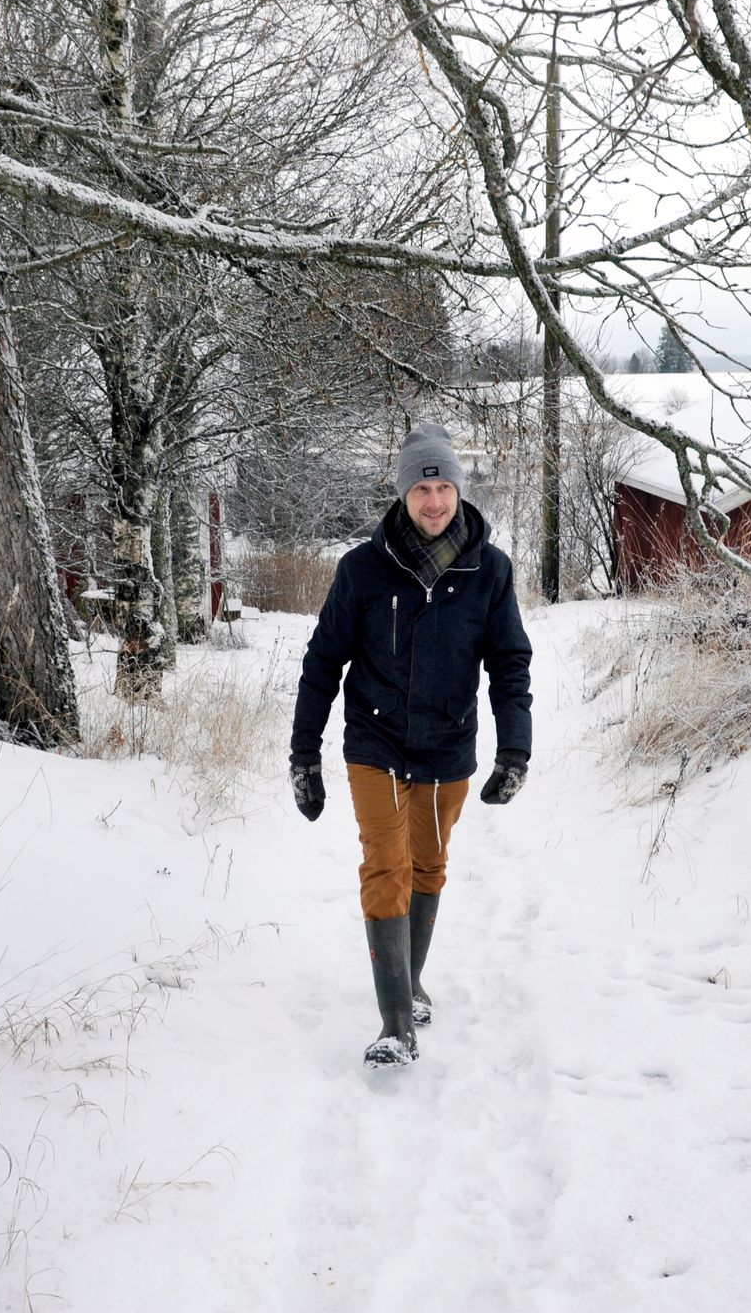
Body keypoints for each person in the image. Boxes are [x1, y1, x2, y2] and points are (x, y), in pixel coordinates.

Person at [289, 423, 534, 1068]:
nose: (434, 501)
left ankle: (410, 981)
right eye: (421, 488)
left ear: (459, 489)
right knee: (385, 865)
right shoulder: (362, 570)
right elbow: (323, 662)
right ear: (402, 494)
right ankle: (396, 1023)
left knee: (427, 866)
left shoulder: (490, 571)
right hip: (374, 741)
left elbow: (509, 665)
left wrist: (515, 750)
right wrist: (304, 753)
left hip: (447, 745)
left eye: (443, 486)